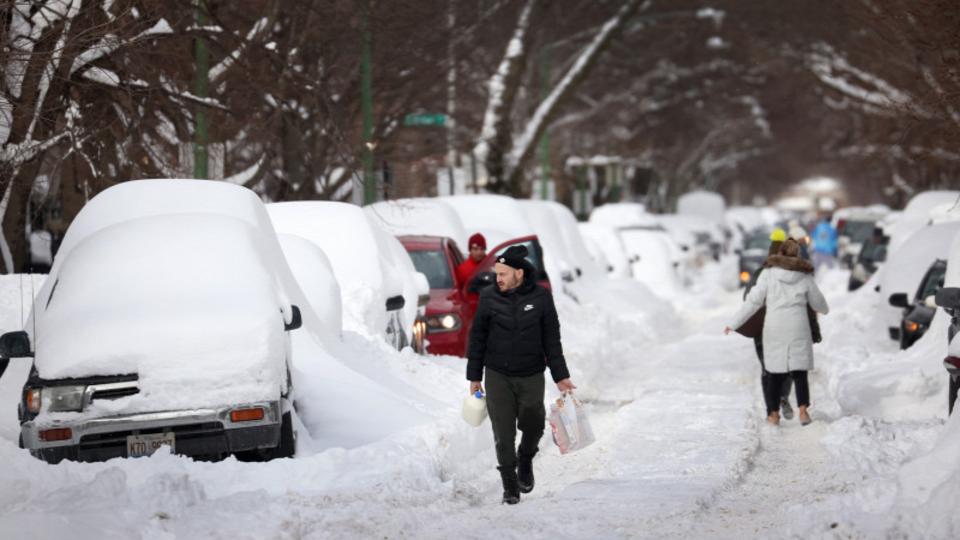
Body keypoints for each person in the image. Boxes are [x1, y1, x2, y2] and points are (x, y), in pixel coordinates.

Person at [466, 245, 576, 504]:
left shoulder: (541, 297)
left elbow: (552, 339)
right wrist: (474, 377)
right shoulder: (489, 297)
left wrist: (560, 375)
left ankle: (525, 458)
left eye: (503, 274)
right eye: (496, 274)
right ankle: (509, 485)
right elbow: (478, 337)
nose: (498, 279)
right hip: (497, 374)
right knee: (502, 432)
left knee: (534, 423)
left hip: (530, 374)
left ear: (519, 273)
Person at [725, 238, 829, 426]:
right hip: (798, 327)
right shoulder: (805, 277)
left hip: (775, 327)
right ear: (797, 255)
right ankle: (804, 411)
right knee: (799, 372)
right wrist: (824, 309)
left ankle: (773, 415)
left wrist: (733, 323)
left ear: (779, 253)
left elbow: (753, 301)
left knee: (774, 372)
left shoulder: (768, 274)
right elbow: (819, 304)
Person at [744, 227, 793, 420]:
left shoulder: (759, 274)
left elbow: (747, 297)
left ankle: (771, 411)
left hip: (762, 330)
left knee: (767, 369)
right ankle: (782, 397)